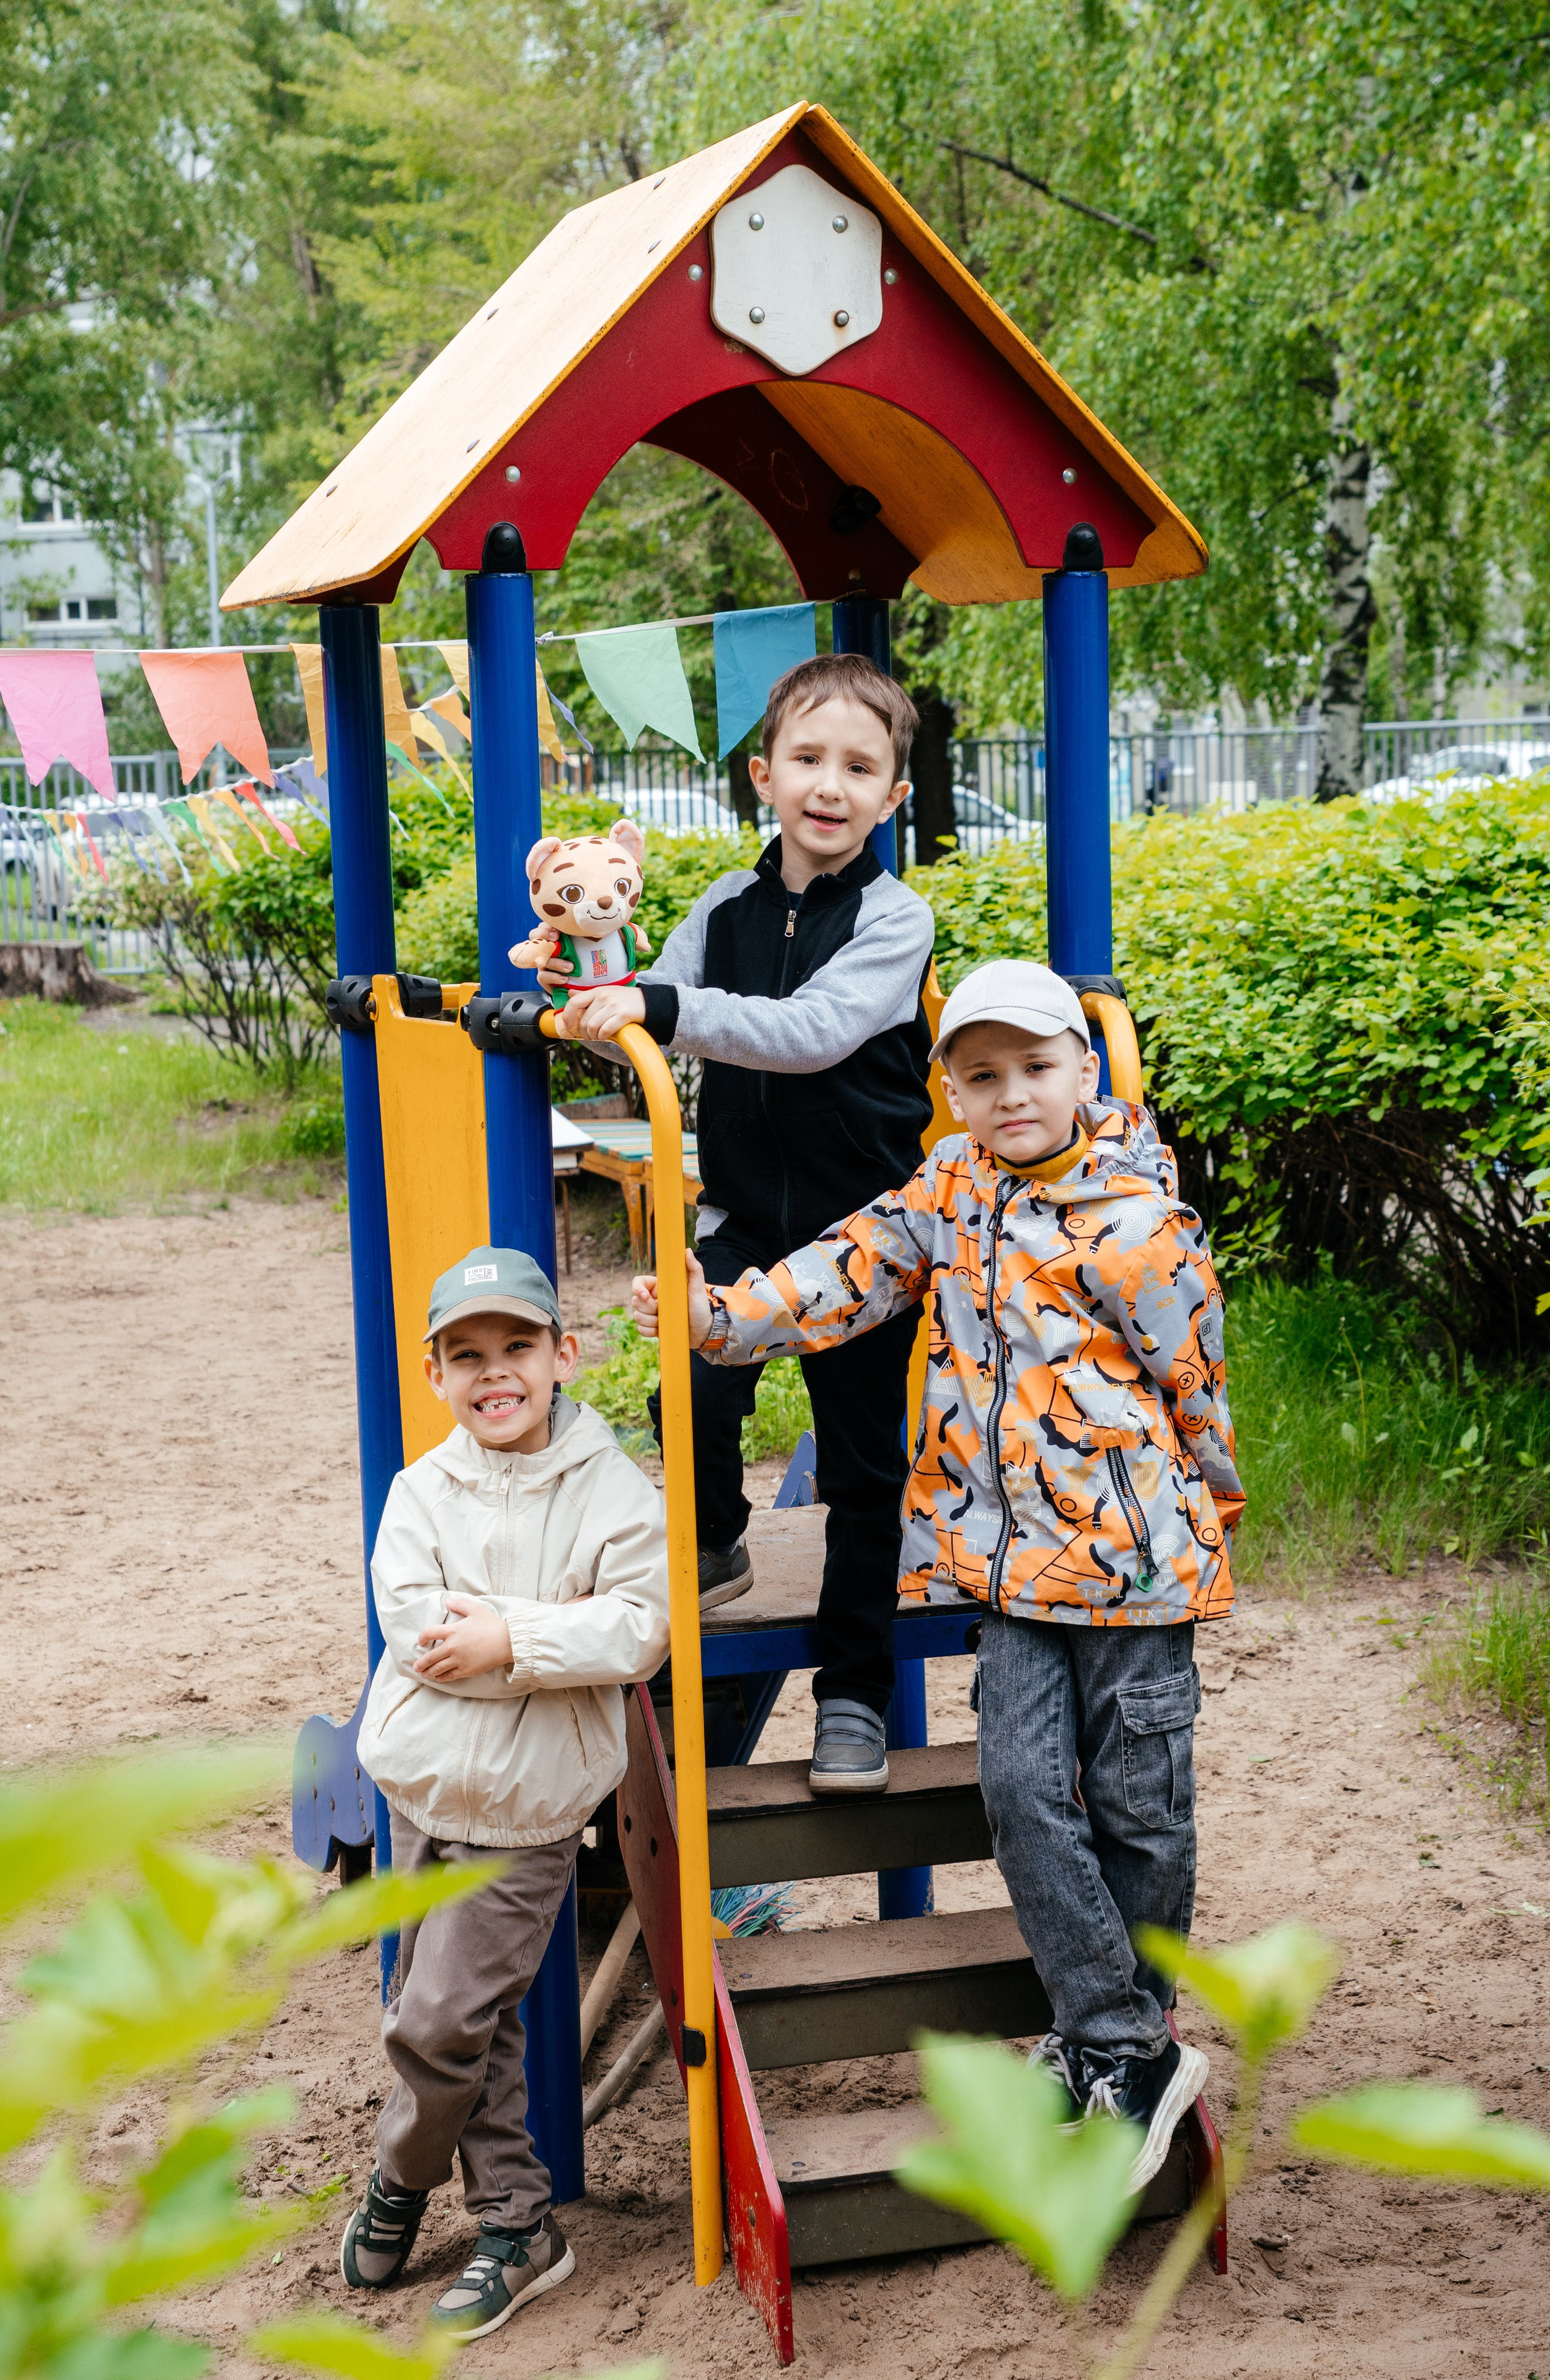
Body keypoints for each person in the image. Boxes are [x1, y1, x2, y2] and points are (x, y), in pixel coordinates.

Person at [632, 959, 1244, 2184]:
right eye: (979, 1077)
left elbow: (1195, 1383)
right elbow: (845, 1269)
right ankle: (1115, 2039)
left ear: (1084, 1069)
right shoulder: (950, 1193)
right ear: (950, 1094)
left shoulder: (1136, 1223)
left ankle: (1123, 2040)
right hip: (1012, 1571)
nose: (1009, 1095)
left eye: (1032, 1068)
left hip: (1130, 1568)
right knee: (1021, 1795)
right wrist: (721, 1318)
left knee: (1134, 1806)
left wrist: (1200, 1503)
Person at [550, 651, 934, 1798]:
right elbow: (653, 1008)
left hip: (864, 1235)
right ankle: (713, 1535)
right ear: (763, 774)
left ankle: (855, 1698)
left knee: (866, 1472)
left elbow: (812, 1030)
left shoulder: (892, 919)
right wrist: (583, 985)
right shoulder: (722, 906)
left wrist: (662, 1005)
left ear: (893, 797)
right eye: (808, 760)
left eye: (859, 767)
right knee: (693, 1382)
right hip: (740, 1220)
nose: (831, 785)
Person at [341, 1245, 669, 2337]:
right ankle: (519, 2223)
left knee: (435, 2024)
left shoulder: (612, 1489)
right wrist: (526, 1642)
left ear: (563, 1355)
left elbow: (638, 1627)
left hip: (529, 1809)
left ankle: (400, 2173)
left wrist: (508, 1636)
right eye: (467, 1354)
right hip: (421, 1791)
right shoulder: (421, 1489)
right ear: (435, 1374)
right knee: (461, 2021)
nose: (495, 1373)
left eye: (518, 1347)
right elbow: (415, 1632)